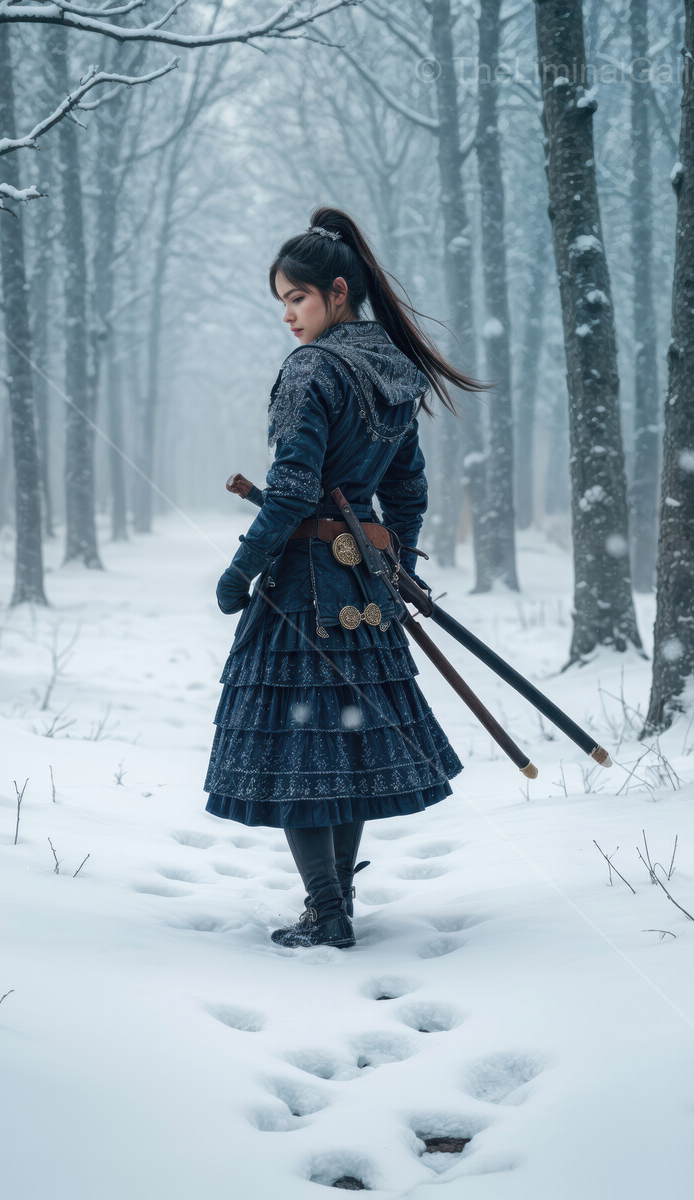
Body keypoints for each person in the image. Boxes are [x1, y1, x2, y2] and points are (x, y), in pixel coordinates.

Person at [203, 205, 488, 950]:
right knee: (343, 741)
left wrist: (240, 571)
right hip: (363, 589)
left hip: (303, 586)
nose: (289, 317)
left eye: (296, 299)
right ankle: (337, 905)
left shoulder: (313, 369)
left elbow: (293, 490)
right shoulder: (391, 365)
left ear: (335, 291)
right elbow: (409, 491)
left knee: (303, 749)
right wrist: (396, 565)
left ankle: (327, 912)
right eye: (281, 304)